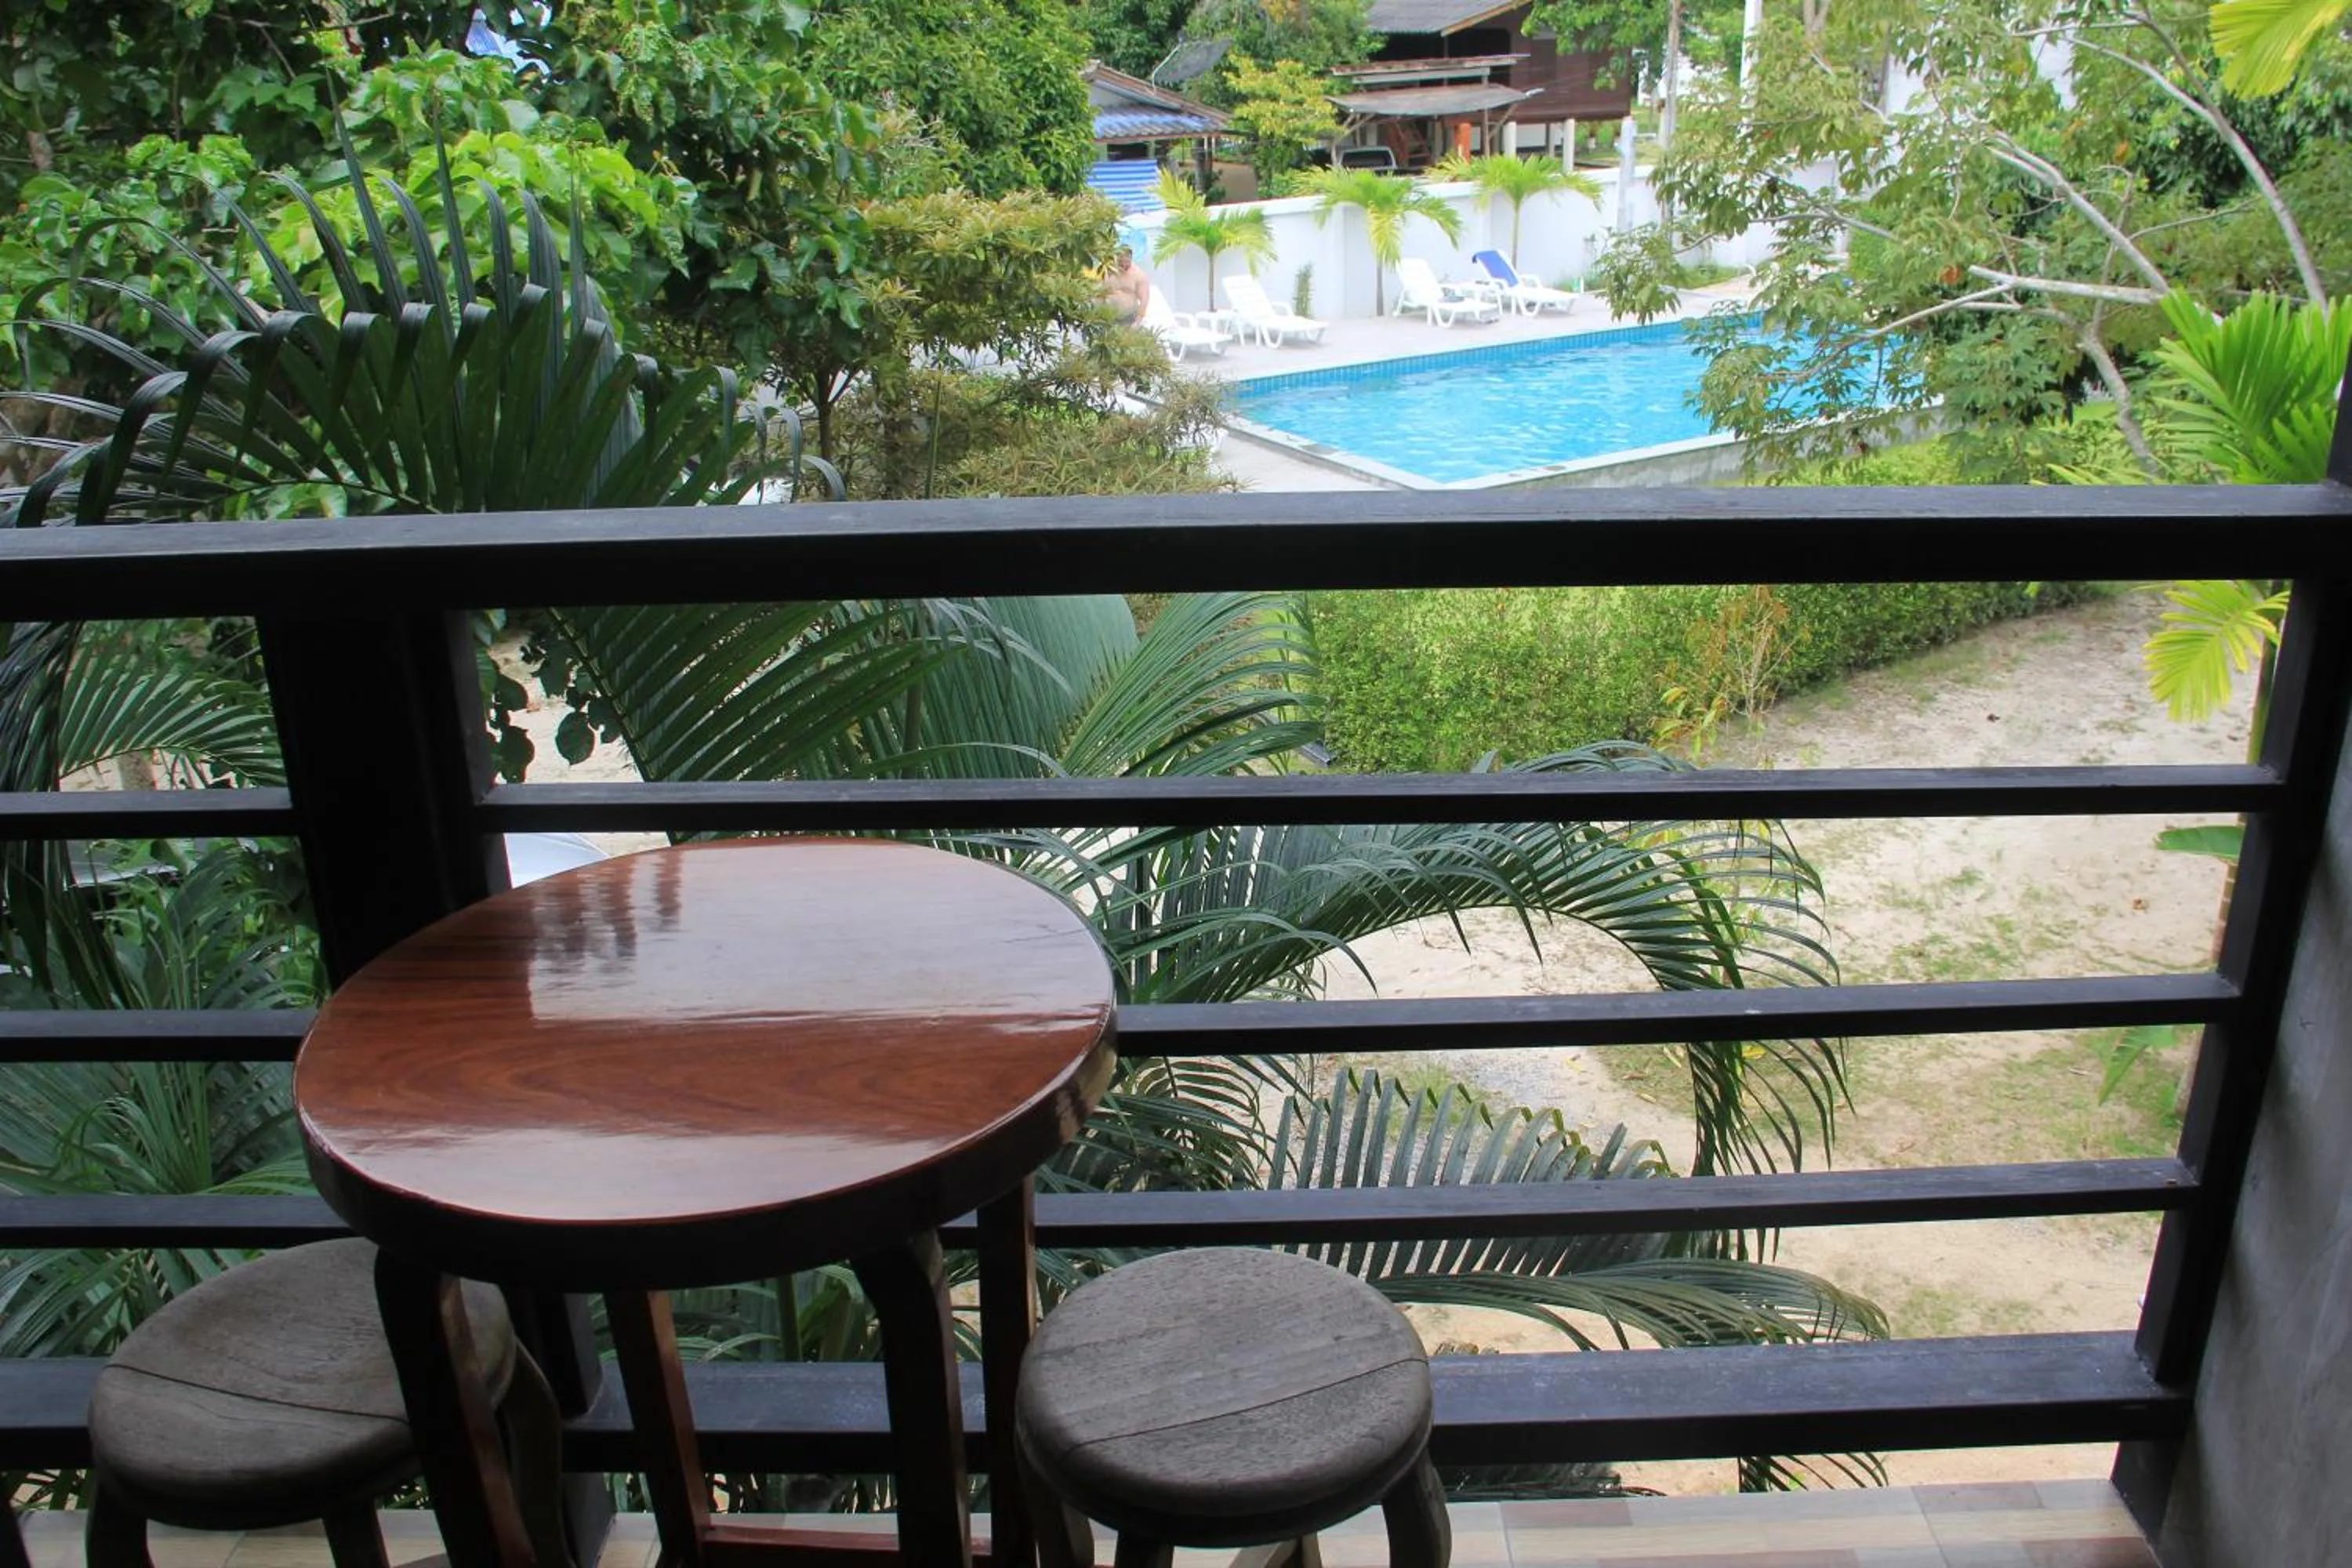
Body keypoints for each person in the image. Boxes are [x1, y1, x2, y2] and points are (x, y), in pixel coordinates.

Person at [1104, 245, 1152, 325]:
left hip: (1128, 318)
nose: (1124, 265)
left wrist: (1137, 322)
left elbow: (1144, 300)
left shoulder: (1138, 275)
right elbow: (1101, 292)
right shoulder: (1109, 271)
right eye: (1121, 262)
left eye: (1127, 262)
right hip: (1108, 316)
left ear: (1131, 259)